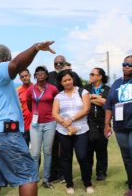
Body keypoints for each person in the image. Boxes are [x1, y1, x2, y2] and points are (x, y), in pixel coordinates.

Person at [0, 41, 55, 196]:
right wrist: (35, 48)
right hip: (3, 133)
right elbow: (15, 64)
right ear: (5, 58)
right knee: (27, 175)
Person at [52, 69, 93, 194]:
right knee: (66, 158)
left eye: (69, 79)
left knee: (83, 156)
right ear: (61, 82)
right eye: (64, 80)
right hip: (64, 131)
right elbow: (54, 113)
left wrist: (71, 119)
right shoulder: (58, 96)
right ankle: (69, 184)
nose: (68, 82)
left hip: (81, 130)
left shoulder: (83, 92)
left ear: (73, 79)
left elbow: (86, 110)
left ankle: (87, 183)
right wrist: (67, 125)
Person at [48, 55, 82, 183]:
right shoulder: (49, 75)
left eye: (60, 63)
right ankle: (54, 174)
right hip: (54, 117)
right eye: (55, 63)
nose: (58, 65)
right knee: (53, 147)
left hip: (70, 118)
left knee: (65, 149)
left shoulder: (72, 75)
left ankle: (64, 174)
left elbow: (80, 91)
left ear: (65, 63)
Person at [26, 66, 58, 189]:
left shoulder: (53, 89)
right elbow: (29, 104)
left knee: (48, 152)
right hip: (35, 124)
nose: (40, 74)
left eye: (42, 73)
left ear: (46, 75)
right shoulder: (31, 90)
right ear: (35, 75)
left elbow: (56, 103)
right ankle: (34, 179)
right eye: (37, 73)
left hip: (50, 123)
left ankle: (46, 179)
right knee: (34, 154)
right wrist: (35, 112)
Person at [104, 55, 132, 196]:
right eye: (124, 64)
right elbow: (109, 105)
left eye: (130, 65)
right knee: (126, 156)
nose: (127, 66)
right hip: (120, 127)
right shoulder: (116, 83)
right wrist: (107, 124)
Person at [84, 68, 110, 181]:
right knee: (88, 150)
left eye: (92, 74)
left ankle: (101, 173)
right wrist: (97, 98)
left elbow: (106, 103)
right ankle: (88, 172)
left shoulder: (108, 89)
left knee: (101, 149)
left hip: (103, 122)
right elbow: (83, 100)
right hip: (88, 123)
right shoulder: (86, 88)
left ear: (99, 77)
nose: (90, 76)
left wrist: (90, 97)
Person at [17, 69, 33, 145]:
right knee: (24, 151)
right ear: (20, 78)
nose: (24, 78)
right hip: (24, 125)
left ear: (29, 75)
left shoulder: (36, 88)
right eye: (22, 76)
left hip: (36, 125)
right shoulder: (18, 91)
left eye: (26, 75)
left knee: (36, 152)